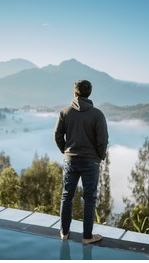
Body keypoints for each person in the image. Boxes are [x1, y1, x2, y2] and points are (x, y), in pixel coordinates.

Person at [54, 79, 109, 244]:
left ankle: (64, 233)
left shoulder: (65, 112)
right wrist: (99, 157)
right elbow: (103, 140)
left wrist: (67, 152)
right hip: (91, 162)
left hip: (70, 161)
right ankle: (87, 237)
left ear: (75, 93)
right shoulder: (97, 114)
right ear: (89, 93)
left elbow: (57, 136)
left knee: (66, 196)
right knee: (90, 198)